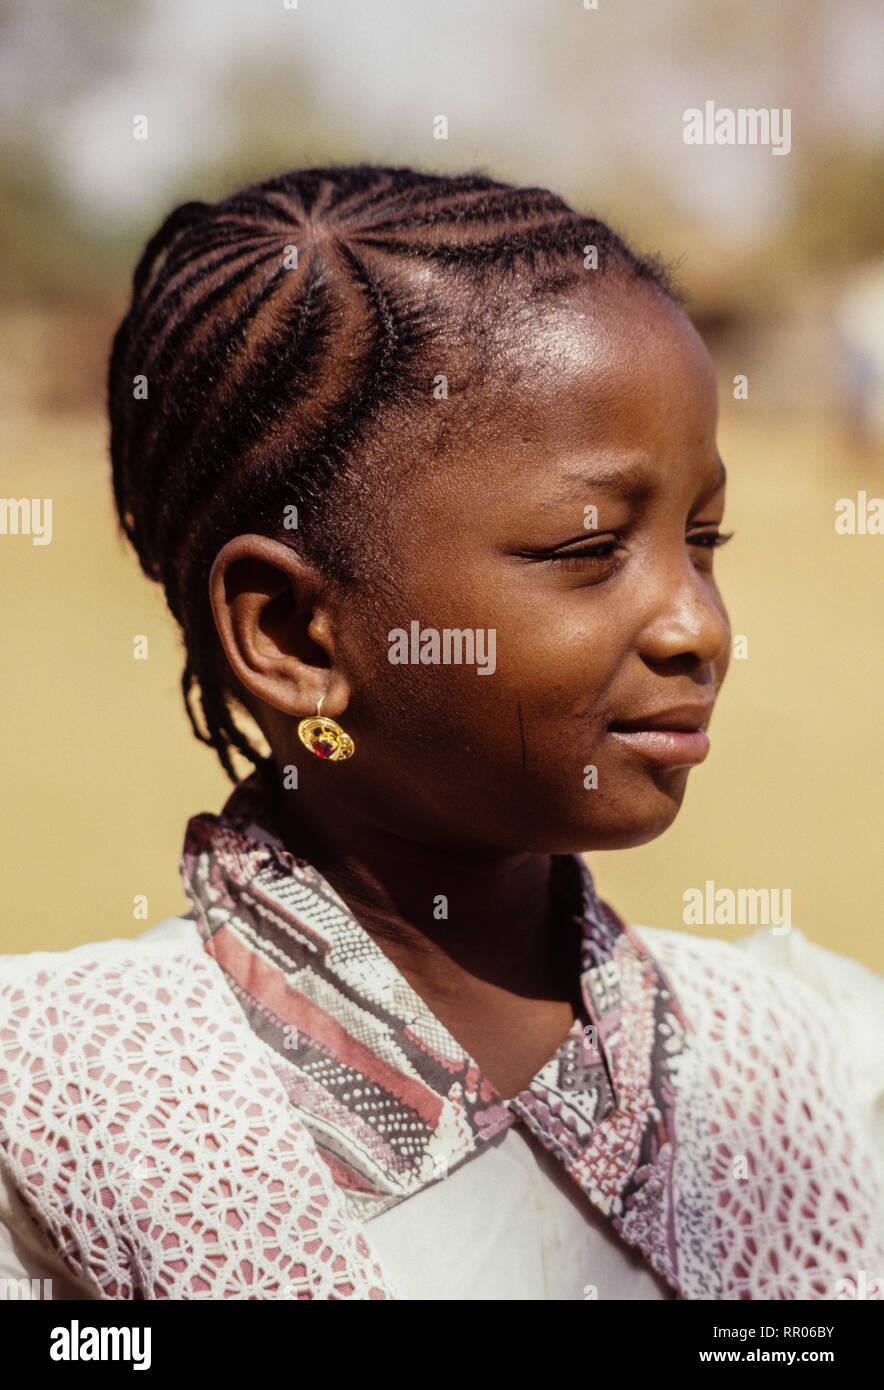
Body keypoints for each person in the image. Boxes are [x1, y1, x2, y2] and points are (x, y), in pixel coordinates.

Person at [0, 163, 881, 1301]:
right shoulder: (62, 1109)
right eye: (585, 549)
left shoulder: (811, 1062)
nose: (696, 626)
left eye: (702, 538)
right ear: (293, 635)